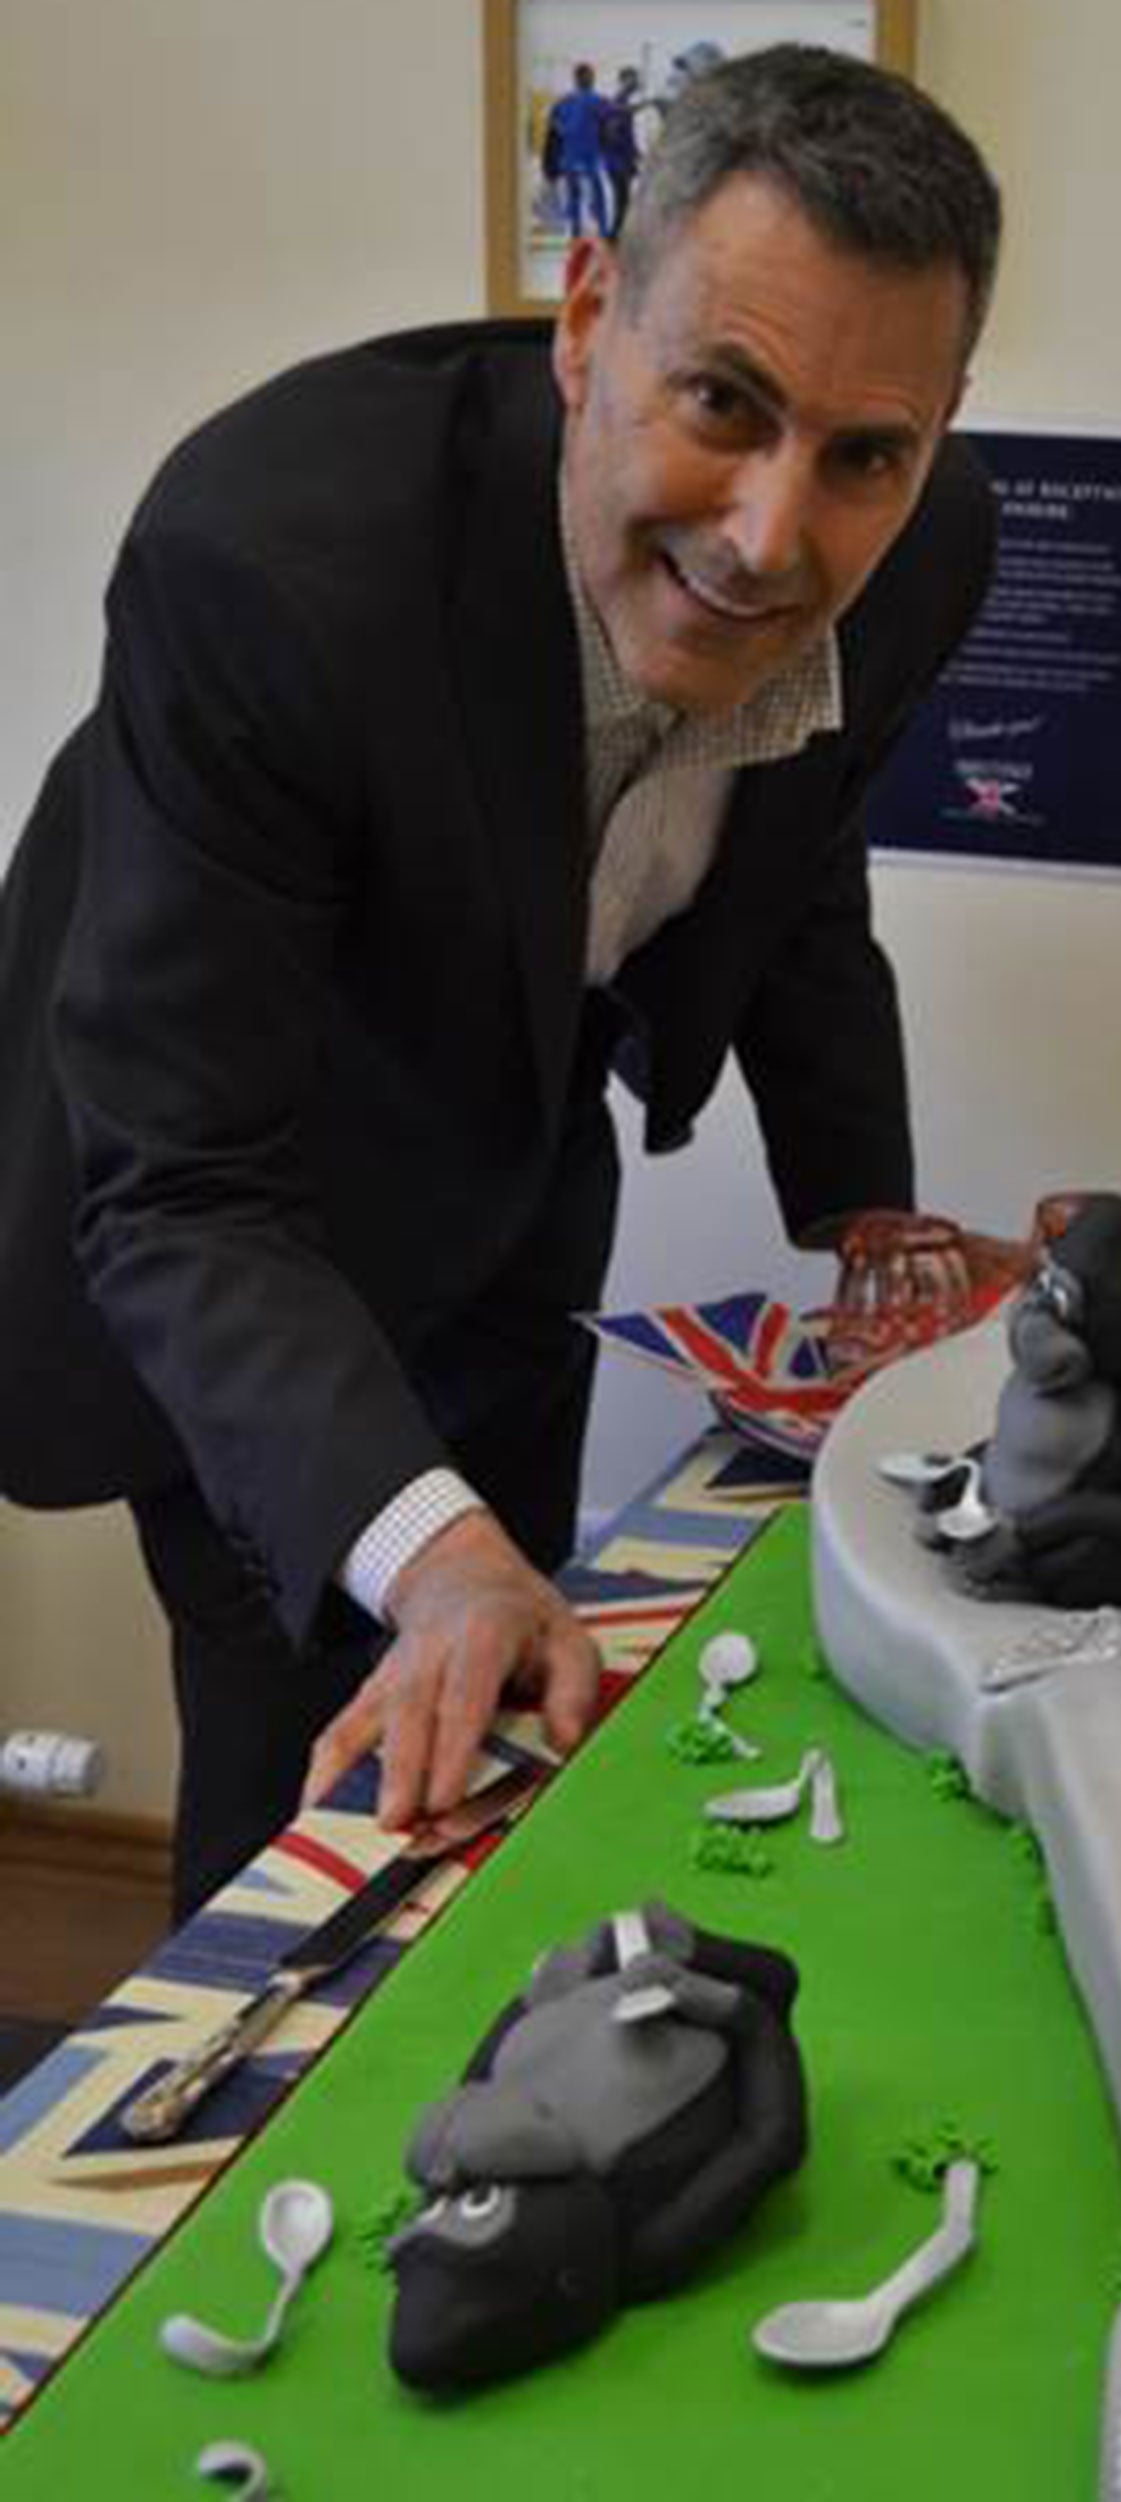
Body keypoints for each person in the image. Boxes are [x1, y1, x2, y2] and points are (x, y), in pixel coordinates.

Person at [0, 45, 1002, 1921]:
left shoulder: (928, 547)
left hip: (509, 1148)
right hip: (224, 1207)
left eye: (864, 451)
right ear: (588, 320)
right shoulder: (265, 565)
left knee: (514, 1705)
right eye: (721, 399)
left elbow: (796, 856)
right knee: (320, 1764)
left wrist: (872, 1214)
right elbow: (188, 1180)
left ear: (935, 430)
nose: (771, 535)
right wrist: (427, 1555)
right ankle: (242, 2159)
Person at [546, 61, 610, 240]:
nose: (592, 79)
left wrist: (566, 132)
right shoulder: (597, 100)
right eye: (591, 76)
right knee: (597, 193)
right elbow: (612, 118)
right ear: (588, 78)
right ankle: (603, 231)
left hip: (569, 157)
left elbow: (553, 123)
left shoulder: (563, 102)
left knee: (574, 195)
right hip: (590, 156)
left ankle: (575, 232)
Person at [599, 66, 645, 240]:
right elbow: (614, 133)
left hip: (621, 159)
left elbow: (626, 134)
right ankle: (615, 235)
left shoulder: (623, 103)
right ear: (623, 79)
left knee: (624, 199)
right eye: (632, 78)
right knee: (622, 199)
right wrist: (629, 154)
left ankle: (618, 234)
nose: (636, 82)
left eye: (636, 78)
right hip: (617, 161)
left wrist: (636, 152)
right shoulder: (618, 102)